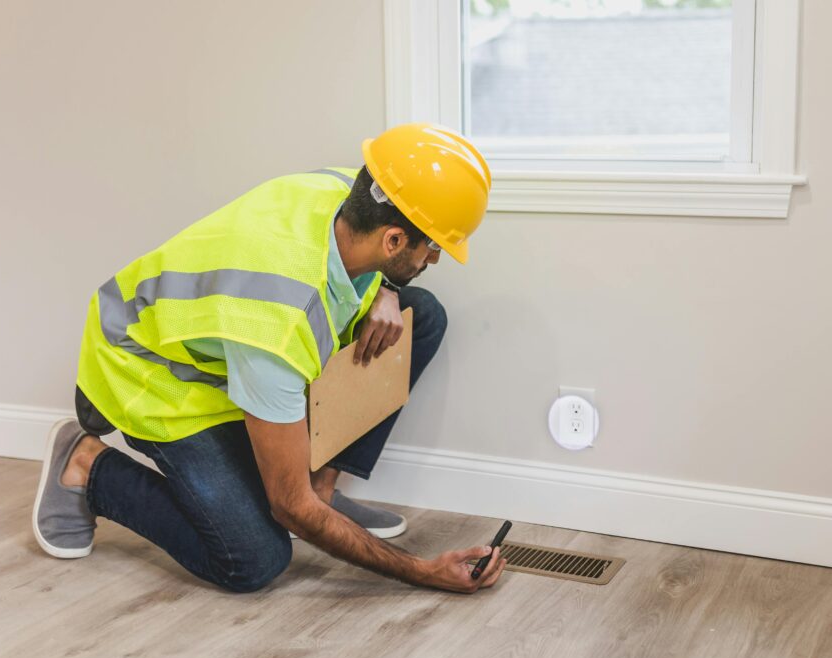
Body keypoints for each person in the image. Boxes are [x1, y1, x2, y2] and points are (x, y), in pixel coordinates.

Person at [31, 123, 507, 593]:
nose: (437, 259)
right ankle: (87, 465)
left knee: (417, 314)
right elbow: (288, 506)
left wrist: (387, 287)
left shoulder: (349, 190)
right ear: (394, 241)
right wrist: (423, 572)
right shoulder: (278, 322)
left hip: (229, 350)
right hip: (152, 373)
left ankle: (322, 489)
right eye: (435, 247)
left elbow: (383, 257)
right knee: (254, 557)